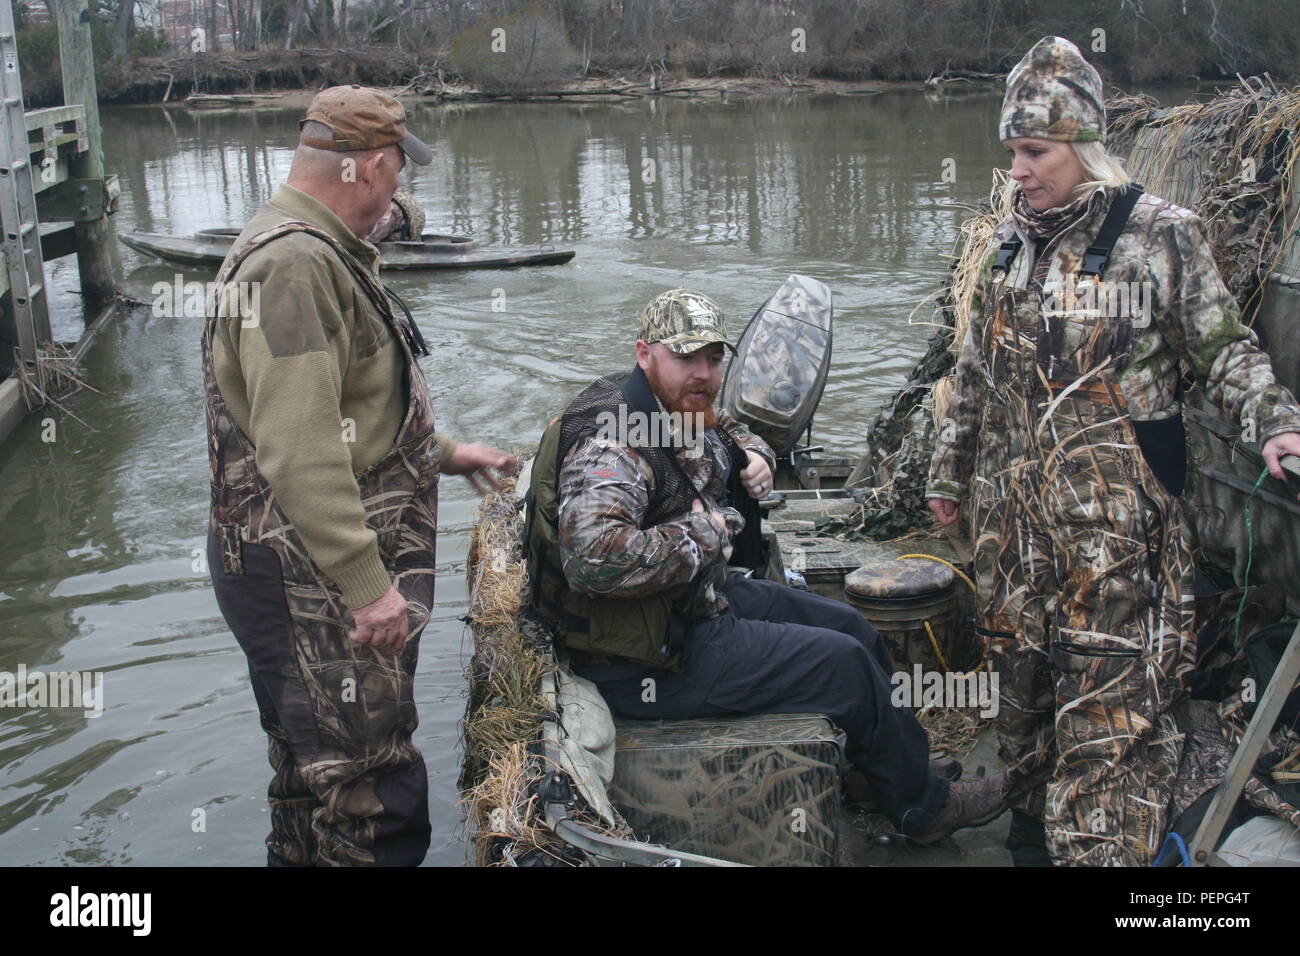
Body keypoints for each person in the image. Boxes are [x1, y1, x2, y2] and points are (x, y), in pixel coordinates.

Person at [926, 37, 1300, 866]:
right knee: (1020, 702)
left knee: (1111, 726)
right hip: (1014, 540)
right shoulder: (1006, 249)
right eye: (1011, 153)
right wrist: (948, 473)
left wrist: (1277, 421)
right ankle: (1027, 834)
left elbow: (1223, 350)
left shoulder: (1162, 235)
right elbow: (974, 375)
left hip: (1118, 545)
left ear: (1083, 145)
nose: (1017, 172)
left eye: (1034, 152)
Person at [526, 289, 1007, 843]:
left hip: (688, 606)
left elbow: (728, 424)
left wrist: (754, 454)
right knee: (841, 665)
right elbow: (594, 562)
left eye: (713, 358)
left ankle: (879, 776)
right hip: (642, 657)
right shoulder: (613, 443)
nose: (702, 373)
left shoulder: (670, 402)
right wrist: (714, 527)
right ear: (644, 354)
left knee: (852, 627)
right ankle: (924, 810)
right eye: (686, 358)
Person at [203, 85, 514, 866]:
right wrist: (366, 583)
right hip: (312, 586)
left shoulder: (309, 245)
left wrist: (442, 452)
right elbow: (297, 447)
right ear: (371, 166)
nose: (398, 196)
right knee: (373, 798)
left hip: (301, 576)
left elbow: (342, 409)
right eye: (398, 176)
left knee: (313, 789)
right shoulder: (295, 268)